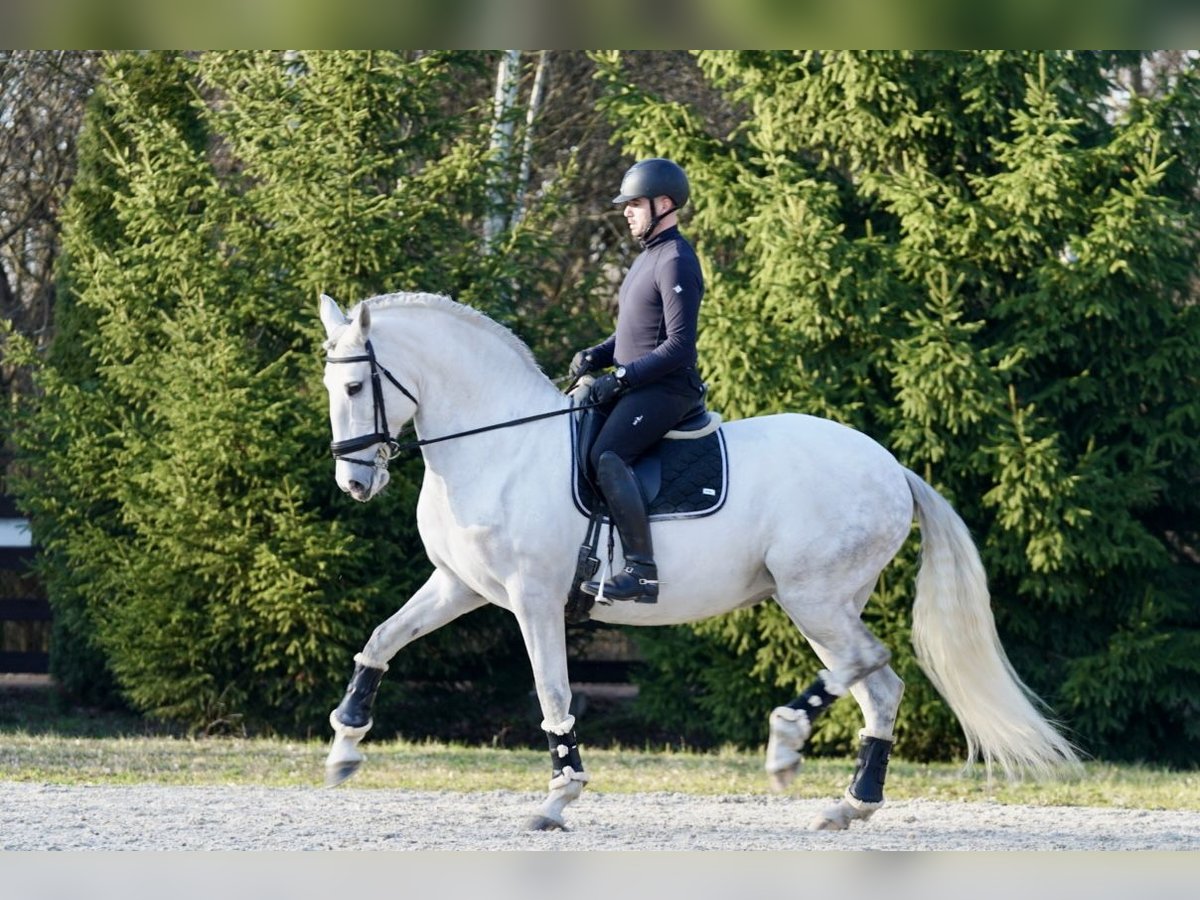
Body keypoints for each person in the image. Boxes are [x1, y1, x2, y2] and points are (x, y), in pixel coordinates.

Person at [569, 157, 706, 604]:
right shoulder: (648, 258)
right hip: (641, 384)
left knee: (608, 454)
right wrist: (598, 354)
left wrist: (623, 378)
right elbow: (637, 332)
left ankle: (642, 572)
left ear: (663, 203)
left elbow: (679, 346)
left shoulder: (676, 260)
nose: (626, 211)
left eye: (634, 204)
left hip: (669, 389)